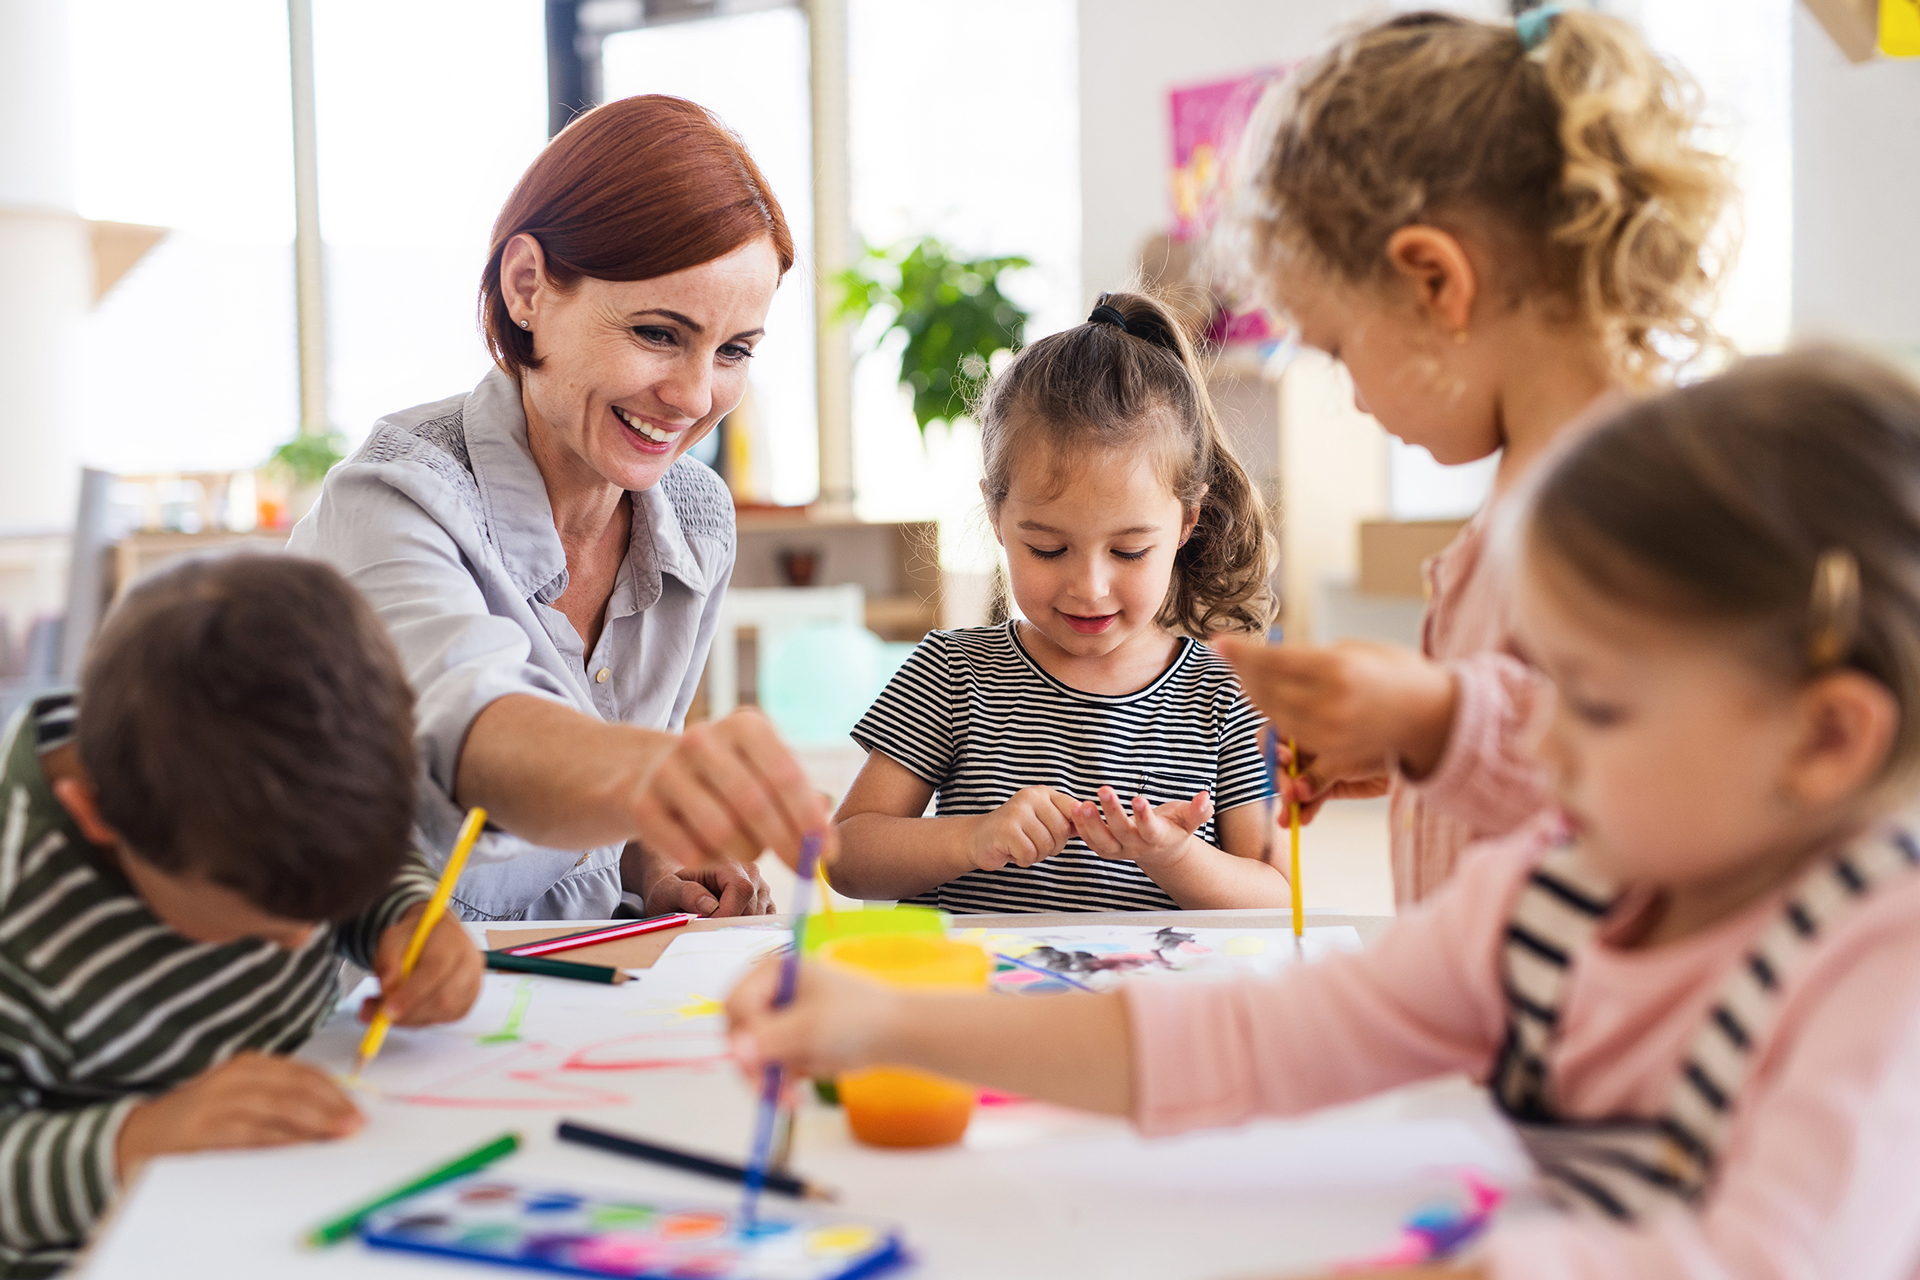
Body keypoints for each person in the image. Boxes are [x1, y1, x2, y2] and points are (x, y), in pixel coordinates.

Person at [731, 351, 1920, 1278]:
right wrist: (892, 1024)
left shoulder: (1884, 961)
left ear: (1825, 737)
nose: (1538, 741)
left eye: (1597, 704)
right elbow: (1254, 1037)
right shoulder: (1549, 892)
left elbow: (1762, 1256)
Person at [1212, 8, 1733, 903]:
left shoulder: (1640, 499)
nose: (1353, 396)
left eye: (1338, 348)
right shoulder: (1533, 486)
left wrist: (1439, 718)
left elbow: (1671, 780)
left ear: (1435, 282)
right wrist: (1415, 751)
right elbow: (1547, 732)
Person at [291, 95, 826, 922]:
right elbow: (478, 737)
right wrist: (665, 780)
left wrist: (658, 862)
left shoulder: (696, 519)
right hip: (385, 975)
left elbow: (608, 811)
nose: (694, 397)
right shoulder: (394, 501)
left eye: (733, 351)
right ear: (528, 288)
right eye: (658, 333)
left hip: (574, 973)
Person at [0, 556, 482, 1277]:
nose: (302, 941)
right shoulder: (19, 917)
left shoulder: (286, 780)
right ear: (96, 816)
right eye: (255, 922)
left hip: (305, 1186)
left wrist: (406, 914)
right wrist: (139, 1139)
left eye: (321, 910)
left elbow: (349, 861)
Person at [828, 292, 1284, 912]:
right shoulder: (952, 672)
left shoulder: (1227, 695)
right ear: (996, 515)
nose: (1089, 587)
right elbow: (845, 857)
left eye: (1128, 551)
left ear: (1187, 522)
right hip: (980, 978)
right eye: (1047, 548)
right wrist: (972, 838)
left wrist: (1173, 856)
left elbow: (1276, 895)